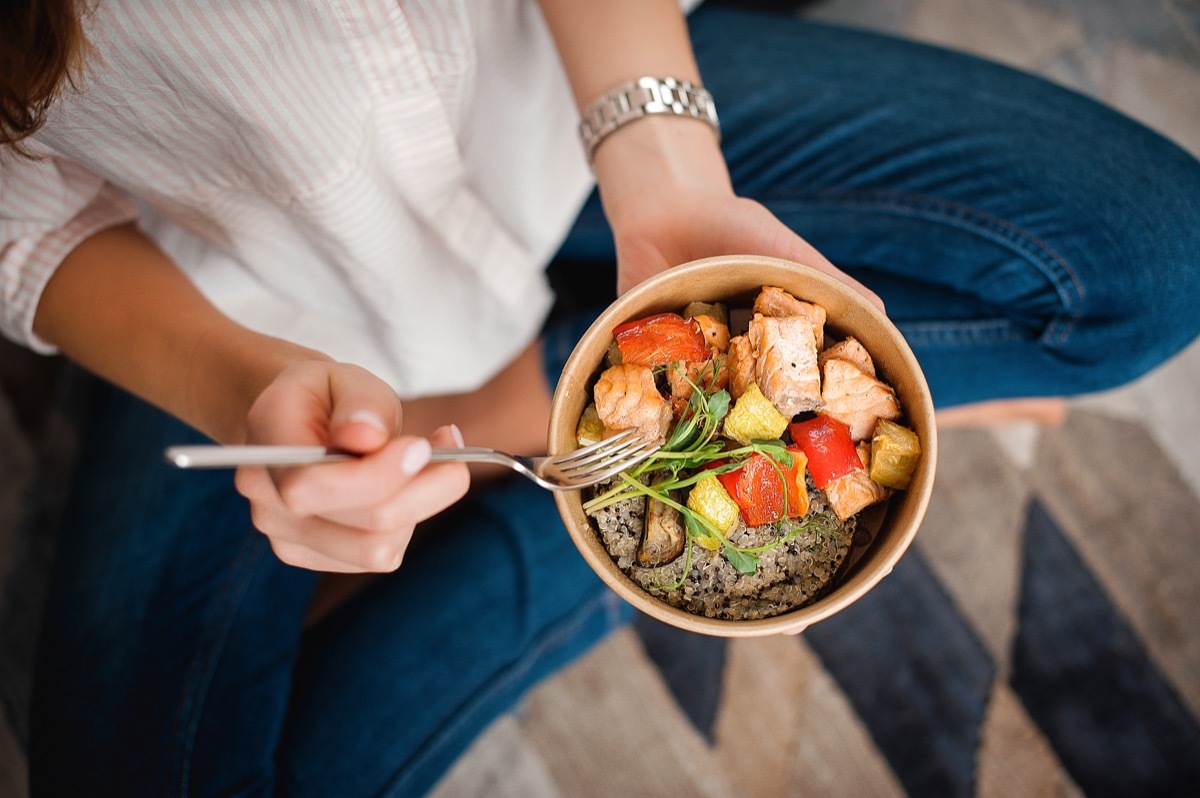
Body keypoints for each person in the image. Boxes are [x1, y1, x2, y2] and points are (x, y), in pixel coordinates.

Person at [3, 0, 1198, 794]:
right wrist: (242, 385)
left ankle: (568, 468)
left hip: (581, 111)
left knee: (1157, 258)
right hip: (247, 287)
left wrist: (670, 178)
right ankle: (596, 495)